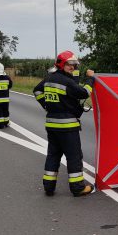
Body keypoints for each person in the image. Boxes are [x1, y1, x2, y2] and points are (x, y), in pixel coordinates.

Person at [33, 51, 95, 197]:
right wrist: (91, 79)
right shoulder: (66, 82)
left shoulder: (49, 78)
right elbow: (84, 93)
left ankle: (49, 186)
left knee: (53, 155)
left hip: (52, 125)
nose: (72, 67)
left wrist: (47, 105)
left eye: (74, 64)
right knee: (74, 156)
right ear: (61, 64)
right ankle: (78, 187)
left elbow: (36, 90)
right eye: (69, 64)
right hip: (67, 127)